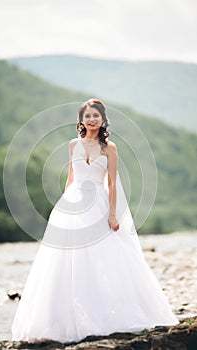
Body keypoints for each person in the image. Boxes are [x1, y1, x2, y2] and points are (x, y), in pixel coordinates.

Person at [11, 98, 178, 344]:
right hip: (72, 204)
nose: (91, 119)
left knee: (104, 258)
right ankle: (64, 320)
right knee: (66, 262)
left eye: (95, 116)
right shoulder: (72, 145)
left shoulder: (109, 148)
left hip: (99, 205)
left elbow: (112, 183)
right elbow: (71, 177)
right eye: (87, 116)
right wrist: (63, 206)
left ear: (102, 120)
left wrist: (112, 214)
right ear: (81, 120)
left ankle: (108, 314)